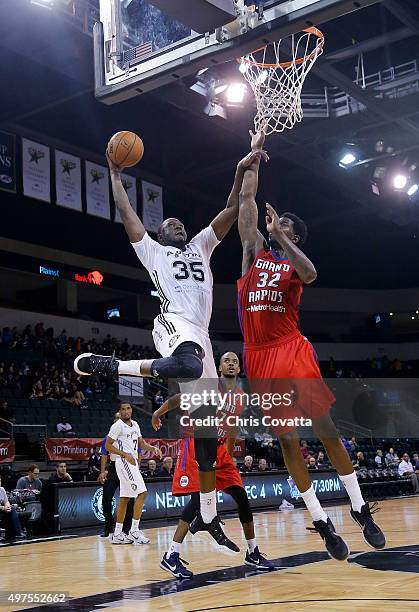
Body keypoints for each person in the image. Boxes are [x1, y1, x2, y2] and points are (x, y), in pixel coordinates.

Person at [74, 143, 265, 549]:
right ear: (160, 234)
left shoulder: (200, 245)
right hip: (173, 326)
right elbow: (127, 214)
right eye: (170, 224)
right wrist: (114, 175)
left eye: (180, 223)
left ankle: (209, 517)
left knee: (209, 436)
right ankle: (114, 365)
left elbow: (231, 209)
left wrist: (240, 169)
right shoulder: (153, 251)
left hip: (201, 336)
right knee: (191, 367)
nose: (176, 225)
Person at [236, 128, 385, 560]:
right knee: (286, 442)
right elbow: (246, 205)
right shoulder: (252, 256)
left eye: (283, 226)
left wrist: (282, 237)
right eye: (275, 223)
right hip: (259, 359)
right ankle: (320, 517)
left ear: (294, 237)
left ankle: (358, 506)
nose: (274, 225)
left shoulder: (293, 263)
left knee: (326, 429)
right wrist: (253, 157)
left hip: (290, 347)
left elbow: (312, 274)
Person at [153, 352, 274, 576]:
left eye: (235, 361)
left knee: (241, 497)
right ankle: (171, 555)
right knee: (197, 498)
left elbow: (233, 426)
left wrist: (227, 454)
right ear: (219, 368)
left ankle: (253, 551)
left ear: (239, 370)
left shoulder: (239, 396)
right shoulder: (208, 385)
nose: (231, 364)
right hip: (197, 442)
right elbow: (180, 399)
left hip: (219, 449)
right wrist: (159, 412)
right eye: (226, 361)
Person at [105, 402, 162, 545]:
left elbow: (141, 444)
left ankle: (118, 533)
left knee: (125, 498)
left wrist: (153, 448)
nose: (125, 411)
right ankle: (134, 531)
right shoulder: (117, 426)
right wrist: (125, 454)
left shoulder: (135, 424)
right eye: (122, 409)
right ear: (120, 411)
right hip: (124, 462)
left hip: (132, 462)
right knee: (142, 493)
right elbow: (107, 445)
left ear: (131, 410)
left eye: (128, 408)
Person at [99, 411, 133, 538]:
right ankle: (108, 526)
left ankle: (127, 528)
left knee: (129, 500)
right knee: (106, 498)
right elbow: (104, 454)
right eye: (117, 418)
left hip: (127, 467)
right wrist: (103, 471)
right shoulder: (109, 437)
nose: (119, 420)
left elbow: (139, 452)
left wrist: (136, 468)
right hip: (113, 468)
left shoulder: (131, 434)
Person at [0, 474, 25, 540]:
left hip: (2, 509)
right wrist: (3, 508)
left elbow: (6, 501)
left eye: (0, 480)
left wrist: (7, 506)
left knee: (12, 509)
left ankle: (18, 532)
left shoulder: (2, 489)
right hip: (1, 509)